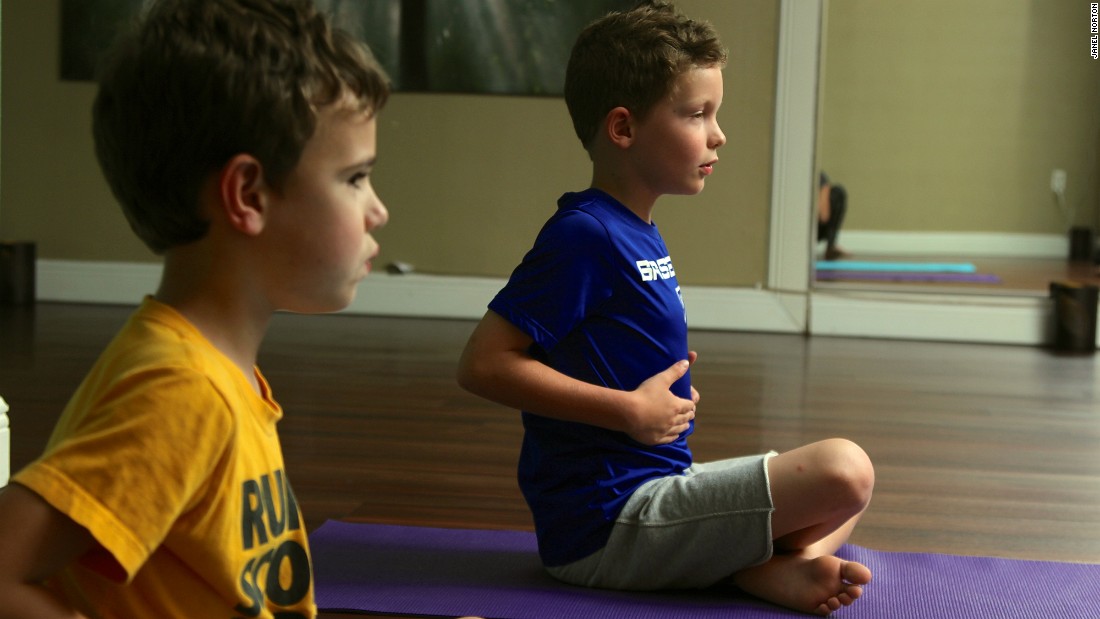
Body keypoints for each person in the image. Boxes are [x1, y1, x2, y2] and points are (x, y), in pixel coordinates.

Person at [456, 2, 874, 616]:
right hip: (608, 523)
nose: (718, 134)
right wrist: (629, 410)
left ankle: (764, 571)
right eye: (697, 114)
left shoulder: (636, 229)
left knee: (852, 492)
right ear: (623, 128)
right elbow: (483, 365)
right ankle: (763, 570)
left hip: (659, 485)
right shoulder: (585, 234)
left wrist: (661, 401)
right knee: (844, 470)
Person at [0, 0, 390, 616]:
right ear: (247, 194)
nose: (378, 210)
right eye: (355, 178)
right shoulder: (180, 392)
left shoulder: (211, 374)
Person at [818, 171, 851, 260]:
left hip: (817, 227)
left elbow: (824, 216)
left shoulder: (819, 177)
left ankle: (831, 245)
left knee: (838, 192)